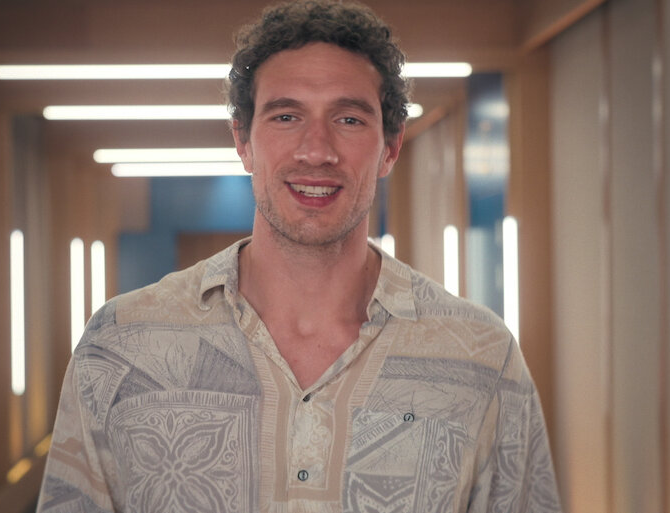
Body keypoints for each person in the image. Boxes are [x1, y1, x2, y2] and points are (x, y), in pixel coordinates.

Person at [36, 1, 562, 511]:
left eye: (349, 119)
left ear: (390, 147)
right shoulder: (122, 346)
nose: (316, 150)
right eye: (286, 116)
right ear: (242, 140)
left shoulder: (482, 359)